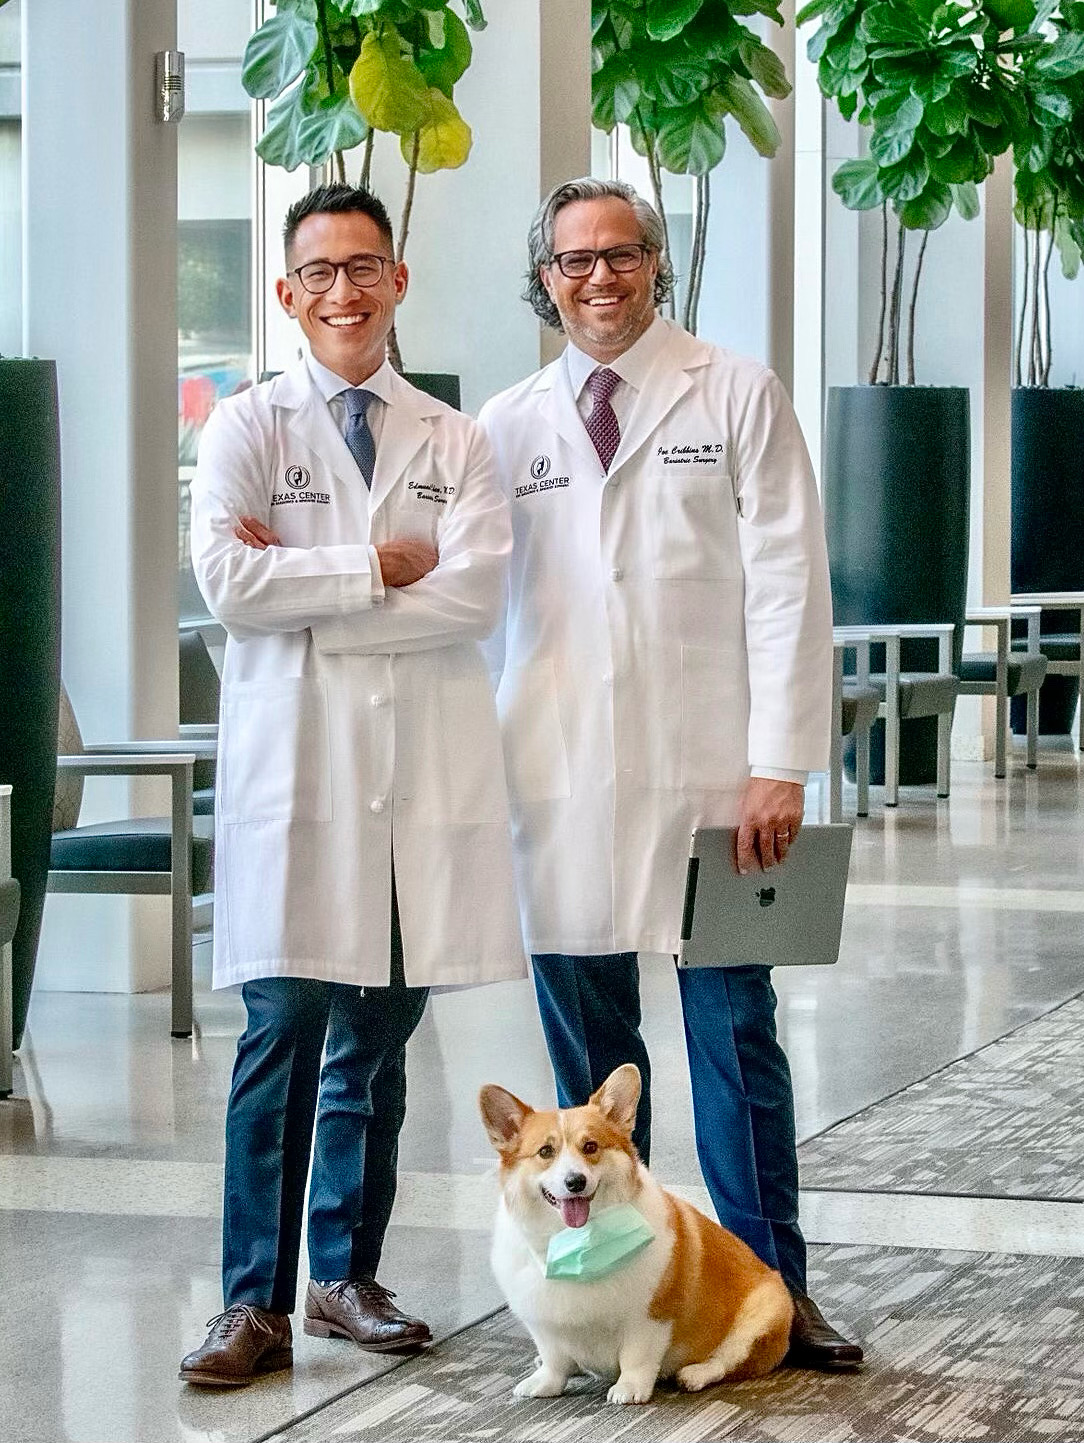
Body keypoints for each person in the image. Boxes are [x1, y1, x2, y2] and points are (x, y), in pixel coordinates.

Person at [478, 177, 862, 1371]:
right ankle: (593, 1302)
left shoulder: (735, 392)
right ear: (542, 279)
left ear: (657, 263)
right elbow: (480, 608)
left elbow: (793, 581)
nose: (597, 277)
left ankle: (776, 1292)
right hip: (553, 778)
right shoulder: (504, 425)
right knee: (581, 1096)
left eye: (621, 254)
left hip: (716, 779)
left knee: (736, 1038)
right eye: (571, 260)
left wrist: (779, 761)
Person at [181, 183, 525, 1387]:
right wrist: (377, 569)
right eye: (318, 271)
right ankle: (248, 1304)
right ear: (285, 294)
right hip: (300, 782)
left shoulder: (452, 437)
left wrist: (318, 594)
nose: (343, 289)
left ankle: (342, 1277)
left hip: (413, 788)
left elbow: (474, 599)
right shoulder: (245, 428)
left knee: (376, 1050)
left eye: (363, 267)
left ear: (398, 282)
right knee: (279, 1038)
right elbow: (228, 585)